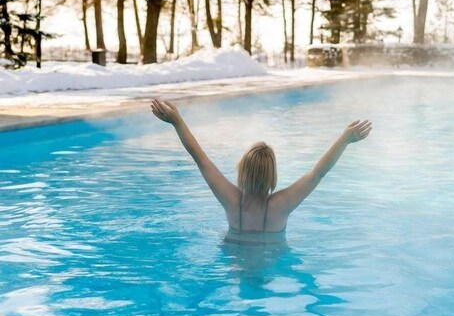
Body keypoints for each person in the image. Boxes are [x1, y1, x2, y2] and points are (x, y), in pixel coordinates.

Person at [150, 98, 372, 243]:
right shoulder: (281, 206)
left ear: (242, 170)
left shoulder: (231, 200)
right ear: (272, 175)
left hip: (234, 264)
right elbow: (318, 173)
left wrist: (177, 121)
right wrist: (344, 140)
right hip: (272, 263)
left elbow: (200, 158)